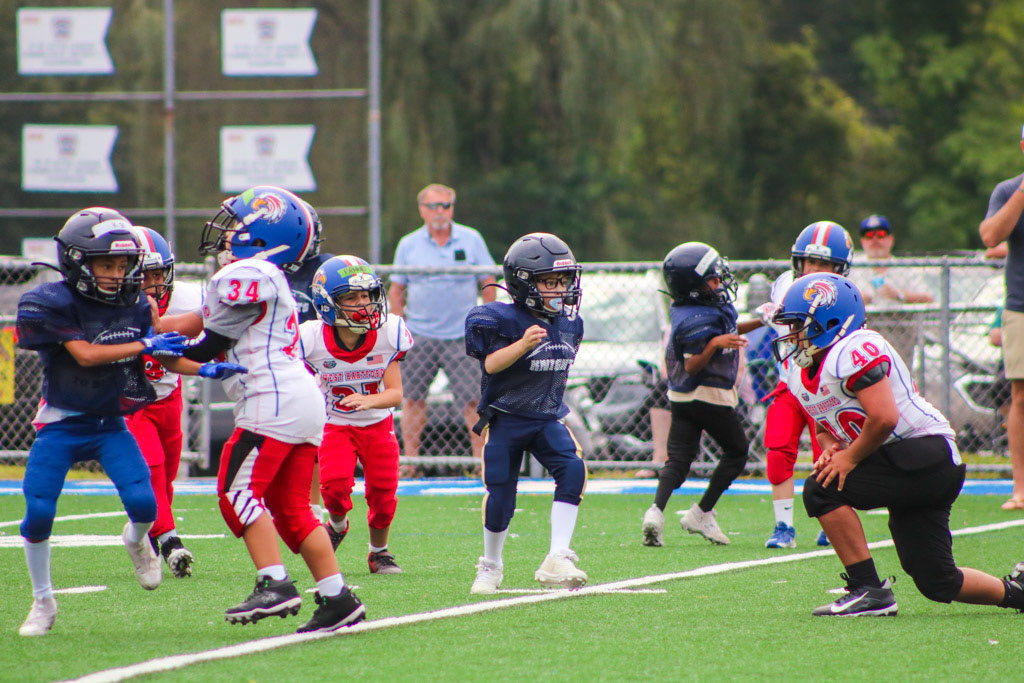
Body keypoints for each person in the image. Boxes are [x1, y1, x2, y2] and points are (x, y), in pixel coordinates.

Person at [16, 208, 244, 637]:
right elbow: (86, 354)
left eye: (123, 266)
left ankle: (136, 539)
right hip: (61, 424)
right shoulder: (53, 301)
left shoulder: (136, 304)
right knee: (39, 513)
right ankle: (43, 600)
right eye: (107, 265)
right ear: (77, 261)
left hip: (110, 424)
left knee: (145, 506)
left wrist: (204, 368)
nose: (117, 275)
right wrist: (145, 344)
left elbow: (163, 353)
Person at [773, 272, 1024, 616]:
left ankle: (867, 589)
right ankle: (1019, 594)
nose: (791, 334)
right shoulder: (804, 371)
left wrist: (849, 458)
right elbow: (824, 423)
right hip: (909, 463)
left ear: (828, 320)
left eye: (798, 324)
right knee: (938, 581)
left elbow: (884, 418)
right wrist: (832, 445)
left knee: (821, 488)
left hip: (924, 453)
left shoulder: (853, 347)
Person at [185, 185, 365, 633]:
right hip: (299, 398)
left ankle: (275, 582)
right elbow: (204, 325)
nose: (227, 233)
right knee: (291, 508)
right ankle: (337, 598)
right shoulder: (268, 275)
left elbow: (209, 343)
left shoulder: (248, 272)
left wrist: (156, 349)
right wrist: (153, 332)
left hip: (272, 400)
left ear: (264, 234)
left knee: (235, 492)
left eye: (237, 226)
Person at [464, 233, 588, 594]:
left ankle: (558, 555)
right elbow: (490, 365)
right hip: (507, 417)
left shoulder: (570, 323)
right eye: (550, 282)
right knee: (501, 492)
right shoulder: (497, 318)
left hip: (546, 416)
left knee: (573, 468)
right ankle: (491, 565)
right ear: (523, 282)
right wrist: (522, 345)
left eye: (564, 281)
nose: (560, 290)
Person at [641, 242, 762, 547]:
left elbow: (729, 329)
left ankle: (655, 512)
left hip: (683, 398)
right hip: (709, 395)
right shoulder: (696, 319)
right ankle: (702, 512)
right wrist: (714, 345)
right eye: (712, 278)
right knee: (737, 452)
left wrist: (763, 319)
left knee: (679, 460)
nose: (720, 282)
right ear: (694, 286)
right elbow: (693, 364)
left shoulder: (693, 308)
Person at [300, 255, 414, 574]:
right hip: (335, 424)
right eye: (351, 297)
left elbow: (396, 394)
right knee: (334, 487)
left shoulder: (388, 332)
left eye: (366, 294)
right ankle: (337, 525)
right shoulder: (310, 337)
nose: (363, 303)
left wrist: (369, 400)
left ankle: (379, 552)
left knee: (384, 494)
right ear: (328, 303)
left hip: (378, 424)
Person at [757, 221, 854, 549]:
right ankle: (783, 526)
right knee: (777, 449)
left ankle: (833, 517)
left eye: (823, 264)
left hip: (825, 385)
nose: (814, 270)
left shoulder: (843, 294)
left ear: (839, 268)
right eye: (810, 261)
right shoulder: (786, 283)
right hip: (790, 381)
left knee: (827, 453)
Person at [389, 184, 497, 463]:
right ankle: (411, 462)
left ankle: (480, 463)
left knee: (474, 401)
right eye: (433, 206)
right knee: (412, 399)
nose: (440, 211)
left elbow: (488, 281)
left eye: (445, 206)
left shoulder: (471, 239)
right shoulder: (408, 244)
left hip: (462, 337)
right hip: (419, 335)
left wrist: (486, 321)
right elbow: (397, 289)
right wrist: (399, 327)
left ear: (452, 208)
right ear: (421, 210)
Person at [126, 226, 205, 577]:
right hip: (131, 402)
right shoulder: (109, 309)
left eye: (158, 274)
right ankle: (171, 540)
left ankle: (150, 530)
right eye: (143, 276)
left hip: (170, 397)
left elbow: (215, 322)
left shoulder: (189, 297)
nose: (153, 283)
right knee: (153, 468)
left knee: (168, 473)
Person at [979, 126, 1024, 511]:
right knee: (1020, 398)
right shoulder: (1008, 190)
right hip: (1020, 308)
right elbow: (991, 236)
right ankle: (1021, 489)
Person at [284, 199, 335, 523]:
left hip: (315, 365)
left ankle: (313, 505)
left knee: (313, 437)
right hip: (277, 362)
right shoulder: (266, 270)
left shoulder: (324, 267)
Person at [848, 215, 934, 365]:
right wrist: (859, 300)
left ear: (890, 239)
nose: (875, 240)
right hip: (864, 336)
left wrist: (899, 295)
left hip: (900, 334)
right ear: (862, 241)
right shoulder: (854, 269)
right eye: (869, 235)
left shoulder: (904, 268)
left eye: (880, 235)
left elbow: (928, 298)